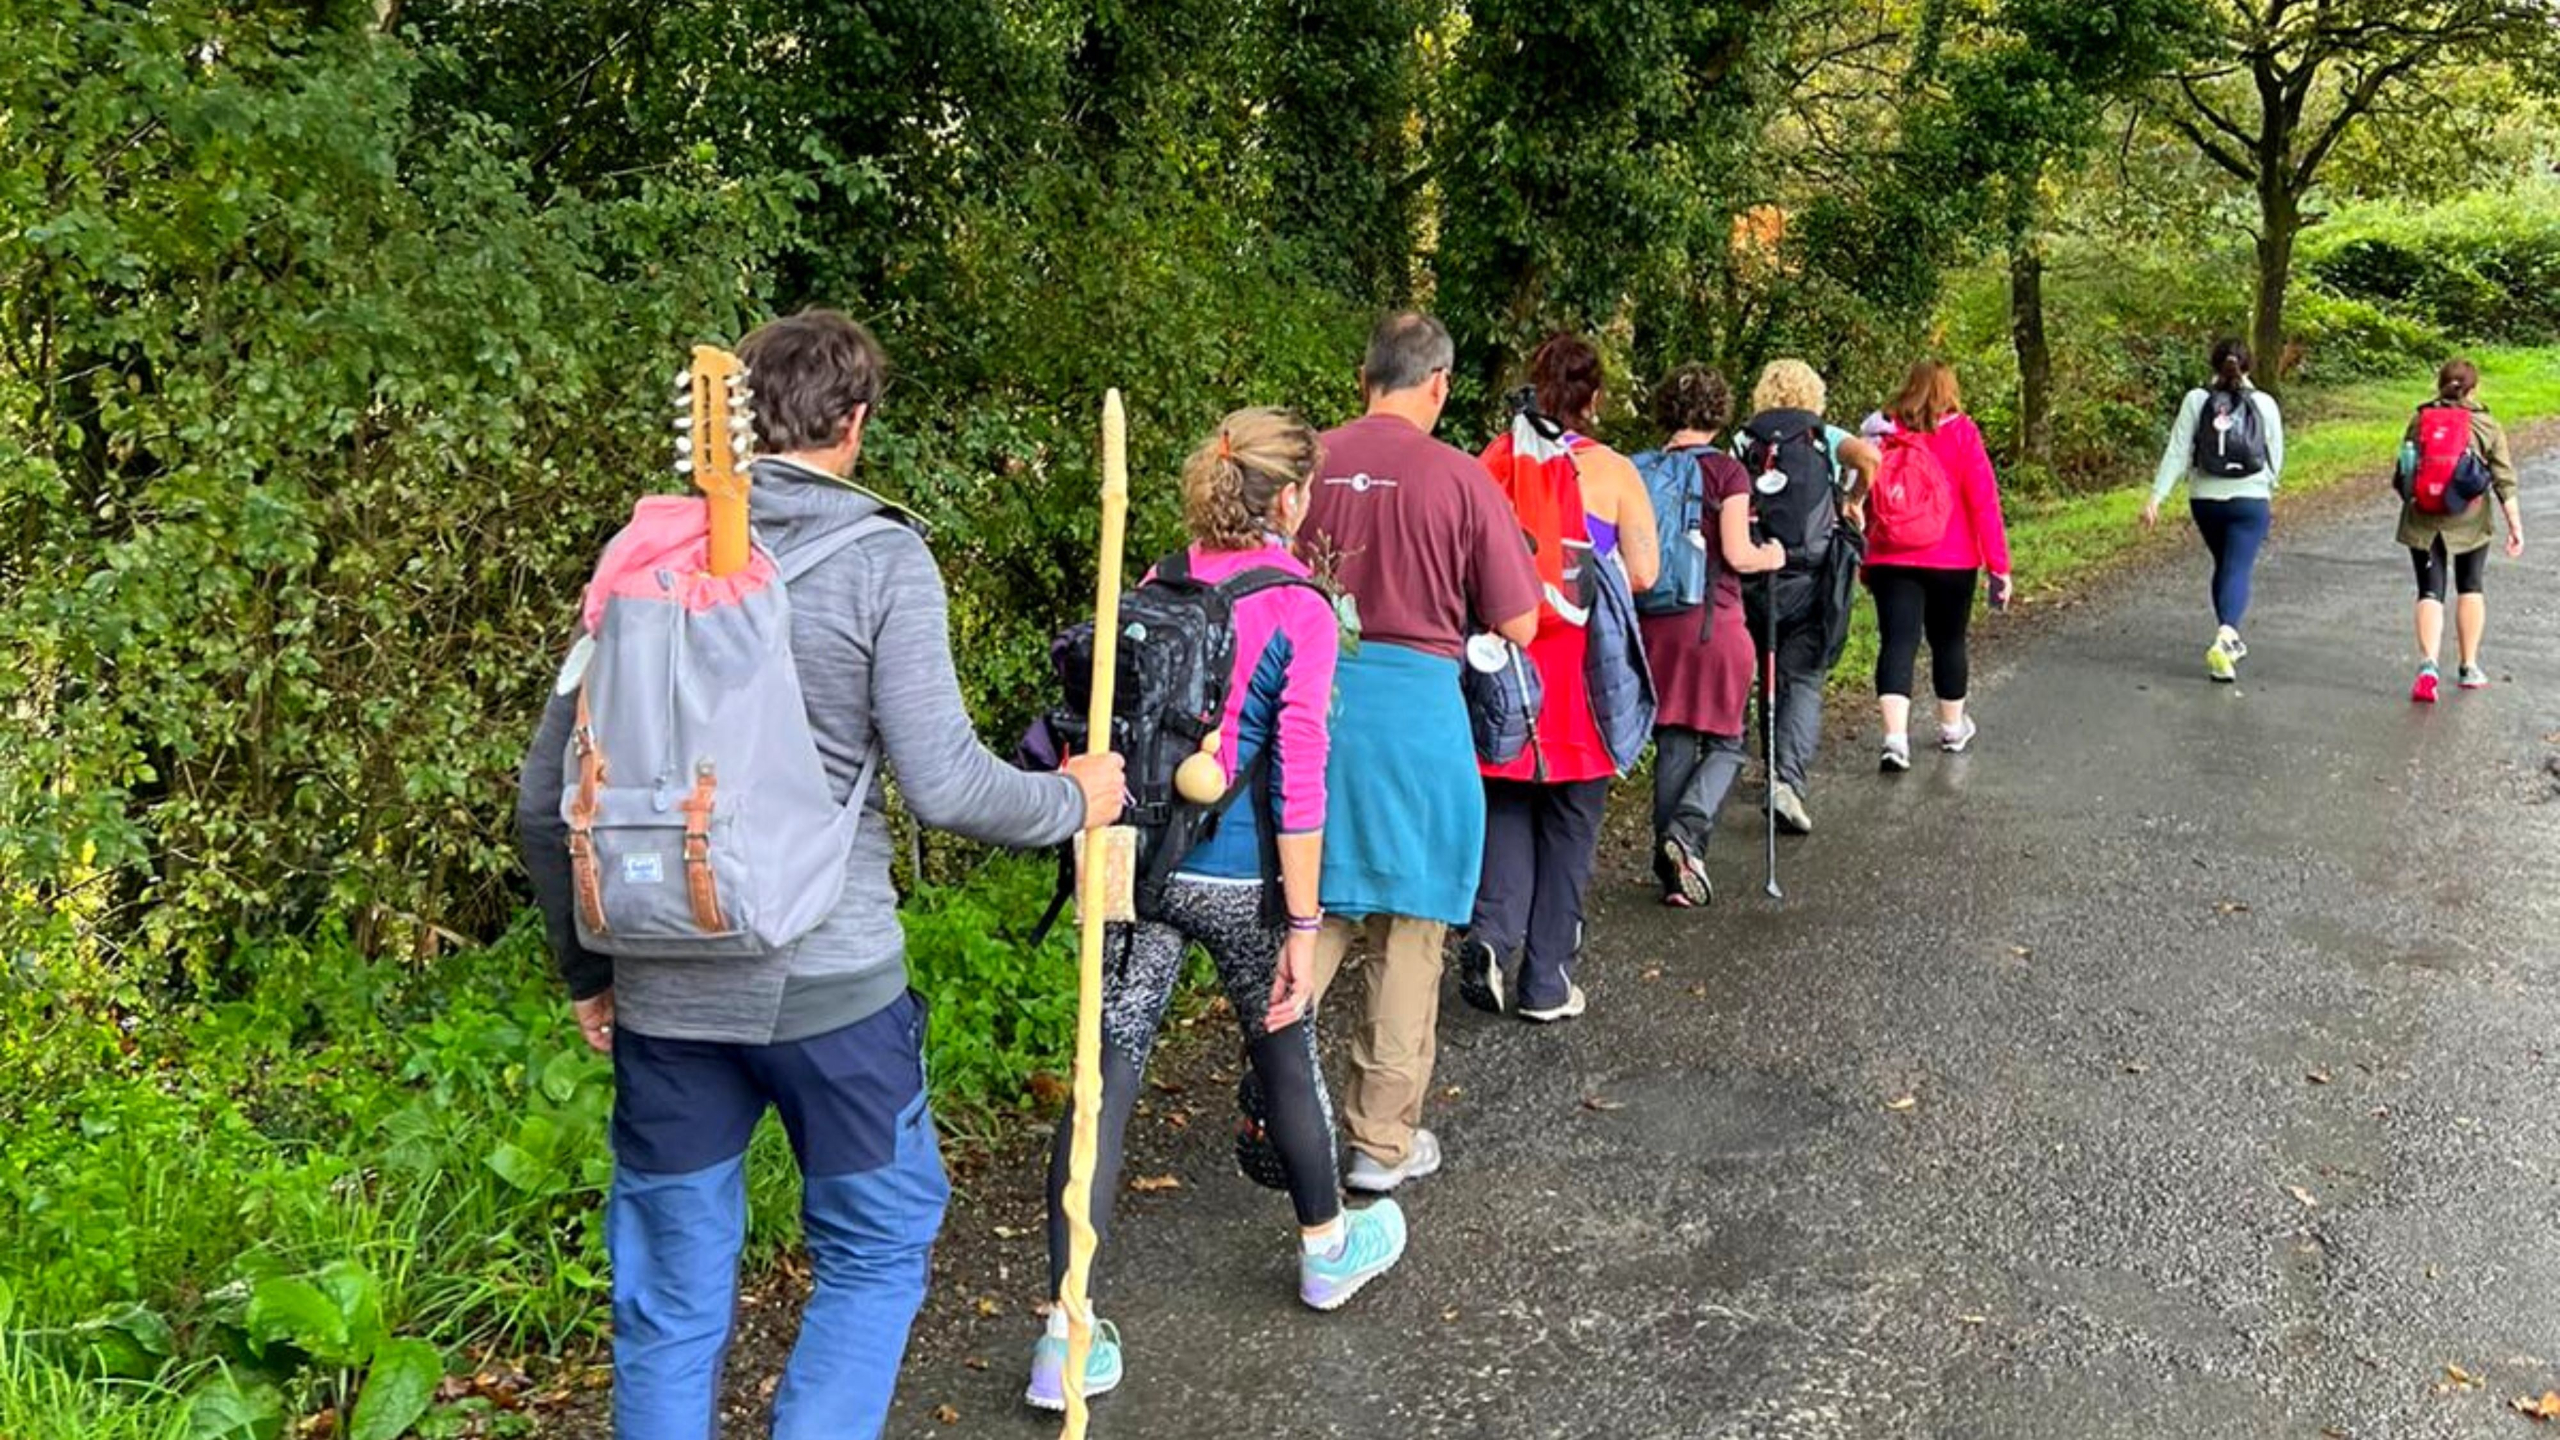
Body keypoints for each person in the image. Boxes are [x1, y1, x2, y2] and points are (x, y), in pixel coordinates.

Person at [515, 310, 1125, 1440]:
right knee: (877, 1246)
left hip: (663, 988)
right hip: (831, 990)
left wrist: (589, 973)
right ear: (854, 423)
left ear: (736, 422)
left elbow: (543, 802)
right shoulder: (882, 560)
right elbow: (946, 785)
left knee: (667, 1302)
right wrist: (1071, 802)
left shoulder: (640, 558)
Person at [1026, 410, 1407, 1410]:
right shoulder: (1300, 606)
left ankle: (1065, 1331)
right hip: (1240, 879)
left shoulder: (1155, 584)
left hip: (1139, 867)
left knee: (1104, 1075)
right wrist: (1303, 923)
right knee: (1282, 1041)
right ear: (1292, 498)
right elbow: (1300, 778)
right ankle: (1325, 1247)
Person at [1303, 311, 1542, 1193]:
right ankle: (1378, 1141)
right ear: (1439, 383)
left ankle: (1274, 1089)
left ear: (1364, 375)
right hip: (1416, 722)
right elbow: (1519, 621)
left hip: (1312, 707)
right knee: (1409, 927)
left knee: (1313, 904)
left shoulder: (1306, 462)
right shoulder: (1460, 477)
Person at [1454, 334, 1658, 1022]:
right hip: (1581, 675)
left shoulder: (1492, 461)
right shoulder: (1614, 471)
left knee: (1508, 808)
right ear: (1592, 398)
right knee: (1571, 826)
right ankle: (1546, 983)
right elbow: (1646, 573)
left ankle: (1491, 935)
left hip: (1505, 666)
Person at [1633, 364, 1785, 907]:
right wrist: (1773, 555)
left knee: (1673, 735)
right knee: (1727, 741)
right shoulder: (1726, 472)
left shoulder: (1639, 469)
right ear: (1719, 413)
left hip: (1654, 626)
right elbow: (1739, 554)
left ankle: (1673, 869)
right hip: (1712, 624)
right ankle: (1688, 830)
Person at [1736, 358, 1880, 836]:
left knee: (1763, 668)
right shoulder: (1823, 436)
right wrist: (1853, 499)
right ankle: (1786, 781)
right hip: (1812, 577)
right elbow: (1870, 459)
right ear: (1813, 394)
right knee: (1802, 678)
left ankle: (1752, 766)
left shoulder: (1744, 440)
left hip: (1755, 575)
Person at [1863, 360, 2013, 770]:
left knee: (1898, 641)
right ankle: (1951, 728)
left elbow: (1861, 495)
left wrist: (1862, 553)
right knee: (1949, 641)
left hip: (1891, 554)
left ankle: (1895, 740)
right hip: (1953, 558)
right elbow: (1984, 501)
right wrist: (1999, 566)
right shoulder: (1962, 432)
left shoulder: (1881, 433)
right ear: (1950, 390)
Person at [2143, 338, 2284, 683]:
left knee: (2225, 565)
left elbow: (2178, 451)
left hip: (2205, 500)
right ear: (2248, 365)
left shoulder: (2196, 399)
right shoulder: (2264, 402)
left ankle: (2226, 645)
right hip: (2250, 500)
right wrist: (2268, 486)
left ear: (2214, 364)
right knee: (2237, 568)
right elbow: (2275, 455)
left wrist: (2156, 497)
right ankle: (2226, 635)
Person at [2396, 358, 2523, 701]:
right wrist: (2515, 525)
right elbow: (2504, 480)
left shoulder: (2420, 419)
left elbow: (2405, 469)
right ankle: (2469, 667)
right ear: (2474, 389)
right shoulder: (2486, 424)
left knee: (2429, 590)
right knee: (2470, 586)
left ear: (2440, 385)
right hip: (2470, 519)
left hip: (2424, 517)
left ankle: (2428, 667)